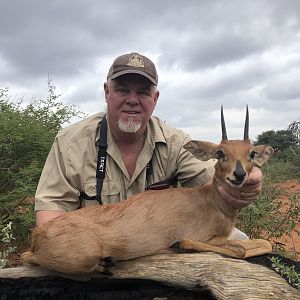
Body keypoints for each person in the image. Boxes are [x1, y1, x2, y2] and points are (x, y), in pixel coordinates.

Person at [35, 52, 263, 236]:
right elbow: (49, 223)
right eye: (123, 90)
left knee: (238, 239)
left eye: (143, 92)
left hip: (159, 244)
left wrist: (245, 182)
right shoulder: (70, 143)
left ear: (155, 99)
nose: (132, 100)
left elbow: (219, 183)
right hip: (99, 249)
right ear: (107, 92)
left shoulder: (176, 142)